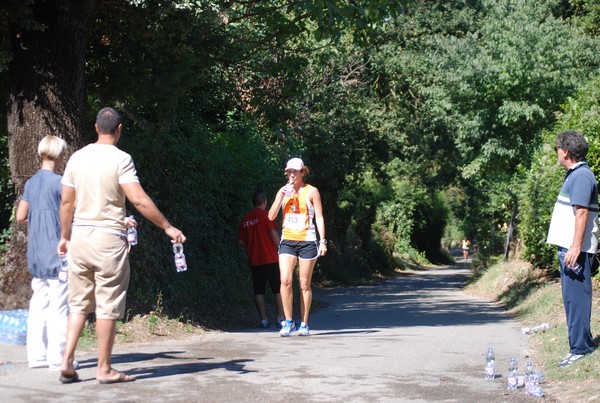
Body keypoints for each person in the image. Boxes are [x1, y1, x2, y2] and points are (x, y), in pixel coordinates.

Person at [57, 107, 186, 384]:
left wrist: (64, 236)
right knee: (107, 305)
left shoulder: (77, 158)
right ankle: (103, 369)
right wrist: (167, 226)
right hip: (108, 240)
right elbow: (138, 199)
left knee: (78, 303)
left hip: (79, 236)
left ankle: (67, 360)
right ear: (119, 130)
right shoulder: (121, 159)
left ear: (95, 128)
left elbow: (66, 202)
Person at [16, 135, 69, 371]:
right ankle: (57, 357)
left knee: (38, 306)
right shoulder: (60, 183)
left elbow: (20, 216)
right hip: (56, 254)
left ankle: (36, 356)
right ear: (59, 155)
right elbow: (71, 213)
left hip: (36, 253)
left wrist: (37, 220)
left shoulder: (31, 183)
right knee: (60, 306)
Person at [547, 130, 597, 367]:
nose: (556, 151)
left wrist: (575, 247)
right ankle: (579, 345)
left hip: (574, 250)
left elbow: (582, 213)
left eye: (557, 148)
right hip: (570, 249)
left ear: (565, 151)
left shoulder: (581, 176)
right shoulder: (575, 175)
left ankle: (580, 348)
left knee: (576, 300)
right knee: (571, 299)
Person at [268, 158, 327, 337]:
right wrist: (280, 196)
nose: (292, 175)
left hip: (307, 240)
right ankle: (287, 322)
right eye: (289, 172)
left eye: (295, 171)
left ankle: (304, 323)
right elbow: (271, 216)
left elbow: (319, 217)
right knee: (285, 280)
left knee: (304, 284)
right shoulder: (283, 192)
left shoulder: (312, 191)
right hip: (287, 240)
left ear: (303, 172)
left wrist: (322, 241)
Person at [238, 189, 285, 329]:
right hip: (270, 258)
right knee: (277, 289)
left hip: (255, 260)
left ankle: (263, 319)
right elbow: (274, 236)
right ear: (264, 201)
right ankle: (280, 318)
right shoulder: (266, 216)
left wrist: (251, 243)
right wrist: (282, 246)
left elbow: (240, 242)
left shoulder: (245, 219)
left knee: (259, 291)